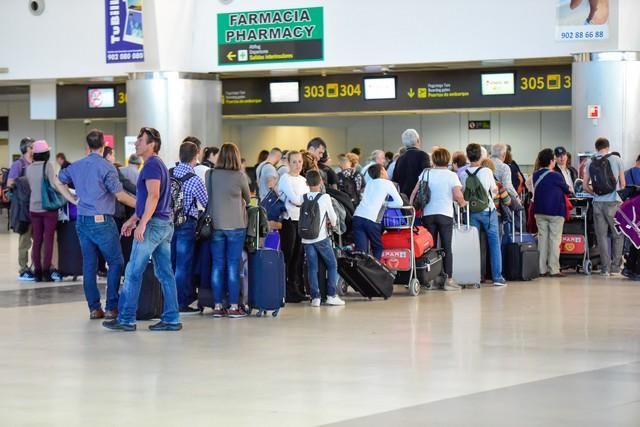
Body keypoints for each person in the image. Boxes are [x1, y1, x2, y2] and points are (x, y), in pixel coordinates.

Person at [103, 127, 182, 332]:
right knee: (165, 273)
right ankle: (172, 318)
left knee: (133, 272)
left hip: (154, 226)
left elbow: (154, 196)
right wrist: (134, 218)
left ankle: (127, 318)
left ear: (151, 144)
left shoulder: (152, 166)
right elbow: (147, 199)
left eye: (140, 140)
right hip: (164, 225)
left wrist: (143, 223)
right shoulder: (155, 165)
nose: (137, 143)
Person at [58, 130, 135, 319]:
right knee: (116, 262)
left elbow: (58, 181)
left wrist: (72, 198)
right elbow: (120, 195)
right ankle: (111, 307)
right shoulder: (107, 167)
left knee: (89, 265)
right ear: (103, 146)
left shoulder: (76, 166)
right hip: (102, 220)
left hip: (82, 220)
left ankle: (94, 309)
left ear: (88, 147)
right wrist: (143, 205)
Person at [411, 148, 467, 290]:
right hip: (445, 215)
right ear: (447, 159)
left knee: (430, 247)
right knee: (447, 247)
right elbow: (457, 195)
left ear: (433, 160)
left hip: (428, 214)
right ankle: (448, 280)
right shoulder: (451, 175)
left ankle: (430, 279)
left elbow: (414, 192)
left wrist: (412, 207)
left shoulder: (426, 173)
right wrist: (462, 203)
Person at [206, 143, 251, 317]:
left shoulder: (210, 175)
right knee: (233, 265)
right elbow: (248, 198)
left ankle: (217, 306)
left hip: (216, 226)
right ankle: (233, 306)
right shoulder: (240, 176)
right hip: (236, 226)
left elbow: (209, 198)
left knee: (217, 265)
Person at [25, 140, 76, 282]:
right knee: (48, 240)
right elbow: (55, 185)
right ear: (46, 153)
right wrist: (69, 195)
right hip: (48, 209)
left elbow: (31, 187)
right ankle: (46, 271)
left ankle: (37, 272)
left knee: (37, 241)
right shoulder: (48, 166)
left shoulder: (28, 168)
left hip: (33, 208)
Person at [461, 143, 507, 287]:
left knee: (473, 246)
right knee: (494, 244)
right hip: (488, 212)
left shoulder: (463, 174)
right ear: (481, 156)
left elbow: (462, 193)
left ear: (467, 156)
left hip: (471, 212)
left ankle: (473, 278)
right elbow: (494, 191)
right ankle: (497, 278)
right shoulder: (486, 171)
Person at [171, 141, 209, 314]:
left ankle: (168, 299)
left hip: (168, 223)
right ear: (196, 156)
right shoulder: (194, 179)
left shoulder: (169, 174)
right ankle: (181, 302)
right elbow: (206, 202)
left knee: (170, 263)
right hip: (186, 223)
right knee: (183, 265)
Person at [301, 170, 345, 307]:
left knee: (312, 268)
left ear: (307, 183)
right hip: (321, 238)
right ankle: (331, 295)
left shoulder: (303, 197)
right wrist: (332, 224)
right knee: (332, 265)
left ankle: (315, 298)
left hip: (306, 238)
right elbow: (333, 218)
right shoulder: (324, 197)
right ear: (321, 182)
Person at [583, 137, 626, 276]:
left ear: (596, 148)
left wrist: (595, 193)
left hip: (597, 203)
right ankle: (615, 267)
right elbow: (623, 185)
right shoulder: (617, 160)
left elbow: (585, 186)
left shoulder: (590, 162)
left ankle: (605, 269)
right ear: (608, 147)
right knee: (618, 234)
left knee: (601, 236)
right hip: (614, 202)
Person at [532, 149, 571, 277]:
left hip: (539, 211)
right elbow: (567, 189)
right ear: (551, 161)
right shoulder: (556, 175)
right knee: (554, 240)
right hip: (555, 212)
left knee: (542, 240)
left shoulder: (535, 175)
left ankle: (541, 269)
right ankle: (554, 269)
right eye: (554, 159)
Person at [352, 164, 403, 259]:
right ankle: (375, 271)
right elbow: (399, 203)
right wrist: (385, 204)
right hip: (371, 219)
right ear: (382, 171)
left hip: (357, 217)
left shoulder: (370, 183)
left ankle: (362, 271)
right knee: (377, 247)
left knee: (361, 251)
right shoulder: (387, 183)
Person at [278, 151, 310, 302]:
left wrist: (300, 202)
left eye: (300, 162)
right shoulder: (285, 178)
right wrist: (300, 201)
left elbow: (305, 201)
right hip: (289, 220)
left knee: (298, 256)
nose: (298, 165)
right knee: (288, 255)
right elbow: (295, 199)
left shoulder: (304, 180)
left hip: (301, 221)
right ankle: (284, 289)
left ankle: (296, 289)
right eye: (294, 162)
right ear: (288, 163)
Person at [7, 137, 35, 281]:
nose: (34, 149)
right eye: (33, 146)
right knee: (24, 239)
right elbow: (10, 182)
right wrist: (25, 184)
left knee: (39, 238)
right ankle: (23, 268)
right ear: (27, 149)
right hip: (24, 208)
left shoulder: (36, 163)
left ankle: (37, 266)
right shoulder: (19, 164)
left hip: (36, 206)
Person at [392, 129, 431, 196]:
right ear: (418, 140)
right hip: (419, 198)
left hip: (404, 197)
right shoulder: (423, 155)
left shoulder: (400, 159)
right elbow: (428, 176)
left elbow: (395, 182)